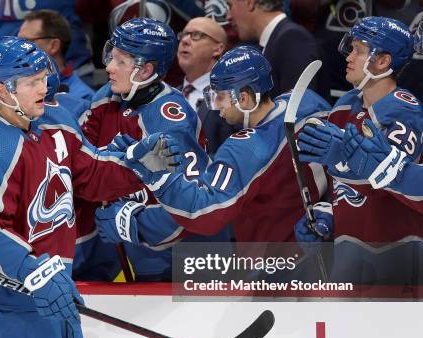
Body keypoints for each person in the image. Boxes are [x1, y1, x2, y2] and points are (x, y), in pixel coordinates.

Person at [0, 37, 141, 338]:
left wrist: (140, 169)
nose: (45, 87)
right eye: (32, 82)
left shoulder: (52, 122)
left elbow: (90, 174)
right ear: (2, 90)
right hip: (13, 291)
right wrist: (34, 271)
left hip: (54, 282)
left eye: (44, 77)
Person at [110, 46, 330, 264]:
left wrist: (158, 178)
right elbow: (339, 165)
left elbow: (204, 212)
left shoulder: (246, 148)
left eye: (221, 96)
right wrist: (328, 209)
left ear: (244, 98)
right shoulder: (308, 102)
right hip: (325, 252)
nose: (215, 105)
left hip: (274, 268)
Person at [79, 17, 210, 281]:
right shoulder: (107, 96)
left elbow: (192, 210)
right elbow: (81, 161)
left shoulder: (170, 120)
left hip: (177, 261)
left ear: (146, 70)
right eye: (111, 56)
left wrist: (131, 224)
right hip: (126, 253)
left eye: (121, 61)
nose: (109, 68)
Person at [295, 16, 422, 284]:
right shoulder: (345, 105)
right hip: (348, 253)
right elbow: (343, 185)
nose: (349, 57)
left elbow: (388, 183)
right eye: (350, 48)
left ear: (383, 62)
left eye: (359, 50)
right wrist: (328, 213)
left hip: (395, 255)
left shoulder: (404, 112)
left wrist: (344, 157)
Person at [226, 0, 325, 99]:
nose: (228, 17)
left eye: (230, 6)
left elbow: (299, 107)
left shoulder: (293, 38)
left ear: (250, 3)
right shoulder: (276, 39)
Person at [177, 16, 233, 155]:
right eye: (183, 34)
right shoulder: (167, 94)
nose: (184, 40)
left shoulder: (232, 97)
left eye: (196, 35)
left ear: (218, 49)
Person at [18, 10, 94, 101]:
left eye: (26, 41)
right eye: (17, 41)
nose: (18, 48)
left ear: (54, 46)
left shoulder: (82, 98)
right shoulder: (10, 86)